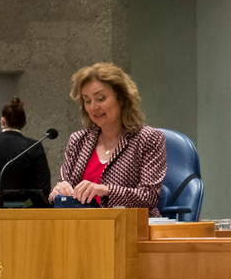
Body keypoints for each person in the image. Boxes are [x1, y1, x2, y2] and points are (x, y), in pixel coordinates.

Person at [48, 62, 166, 216]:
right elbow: (61, 188)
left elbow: (148, 197)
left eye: (100, 98)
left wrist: (105, 190)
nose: (93, 107)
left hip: (129, 229)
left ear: (122, 99)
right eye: (87, 100)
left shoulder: (148, 139)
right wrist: (57, 192)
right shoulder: (77, 141)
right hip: (81, 229)